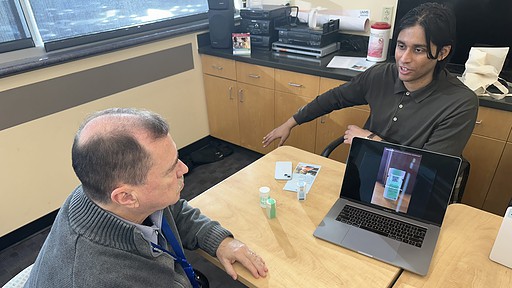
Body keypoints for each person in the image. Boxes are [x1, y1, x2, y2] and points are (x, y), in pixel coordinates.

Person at [25, 108, 268, 287]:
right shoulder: (102, 277)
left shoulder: (100, 192)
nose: (184, 169)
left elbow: (172, 210)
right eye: (170, 169)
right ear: (126, 196)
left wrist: (220, 241)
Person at [263, 2, 478, 156]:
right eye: (401, 46)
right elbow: (335, 97)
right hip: (364, 170)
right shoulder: (382, 75)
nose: (404, 58)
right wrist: (290, 123)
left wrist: (370, 140)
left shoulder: (460, 102)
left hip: (408, 191)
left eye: (419, 50)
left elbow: (429, 169)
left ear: (442, 53)